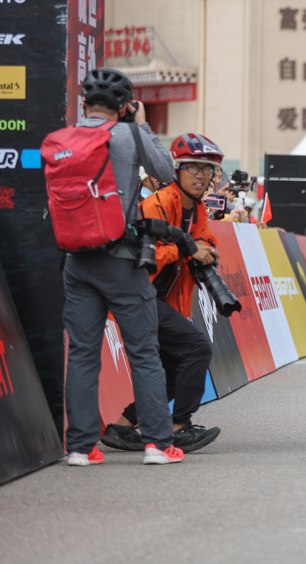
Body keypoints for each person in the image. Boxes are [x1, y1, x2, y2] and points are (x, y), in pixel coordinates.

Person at [58, 68, 184, 466]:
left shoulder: (66, 138)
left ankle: (80, 447)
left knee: (81, 354)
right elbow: (166, 173)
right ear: (126, 105)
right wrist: (142, 127)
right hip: (122, 259)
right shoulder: (128, 133)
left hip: (76, 259)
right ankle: (158, 445)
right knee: (144, 352)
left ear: (84, 104)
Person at [101, 133, 224, 455]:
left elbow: (206, 239)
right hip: (135, 296)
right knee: (197, 348)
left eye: (207, 169)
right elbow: (144, 258)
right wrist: (185, 250)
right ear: (176, 170)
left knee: (172, 369)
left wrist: (202, 248)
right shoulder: (156, 204)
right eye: (193, 167)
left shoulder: (196, 209)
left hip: (159, 299)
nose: (201, 175)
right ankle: (178, 427)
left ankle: (122, 428)